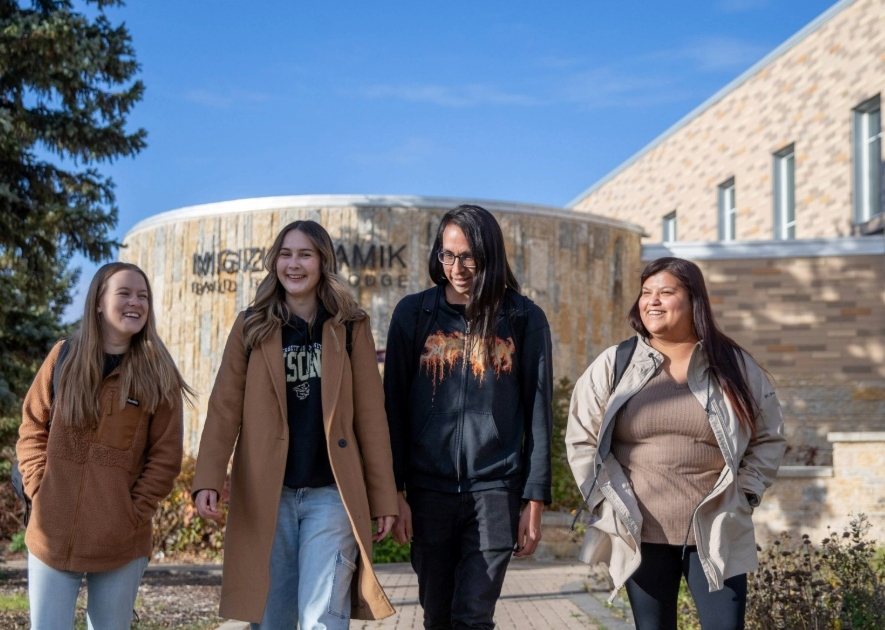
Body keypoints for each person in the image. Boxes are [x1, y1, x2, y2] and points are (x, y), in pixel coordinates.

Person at [192, 220, 398, 629]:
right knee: (274, 618)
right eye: (286, 254)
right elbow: (224, 407)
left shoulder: (350, 326)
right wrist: (208, 479)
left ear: (323, 261)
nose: (294, 264)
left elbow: (371, 418)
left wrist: (384, 498)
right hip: (268, 494)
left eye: (305, 254)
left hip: (332, 496)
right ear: (275, 262)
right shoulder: (251, 325)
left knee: (321, 616)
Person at [565, 257, 786, 630]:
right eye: (646, 293)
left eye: (666, 292)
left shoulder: (733, 366)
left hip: (715, 529)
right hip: (640, 531)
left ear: (694, 300)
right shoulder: (615, 363)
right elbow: (581, 438)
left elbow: (769, 437)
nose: (652, 301)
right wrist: (605, 499)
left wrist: (746, 493)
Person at [383, 204, 554, 630]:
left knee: (473, 616)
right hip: (427, 492)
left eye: (468, 257)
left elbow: (538, 413)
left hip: (495, 491)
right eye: (448, 255)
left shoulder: (523, 318)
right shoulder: (413, 314)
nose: (456, 268)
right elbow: (393, 409)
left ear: (489, 255)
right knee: (437, 616)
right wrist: (394, 492)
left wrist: (534, 501)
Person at [17, 262, 191, 630]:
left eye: (143, 296)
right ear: (98, 302)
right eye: (124, 293)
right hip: (51, 532)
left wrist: (133, 512)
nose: (136, 302)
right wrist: (39, 488)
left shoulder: (159, 375)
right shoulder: (64, 357)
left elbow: (165, 457)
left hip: (120, 542)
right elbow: (32, 427)